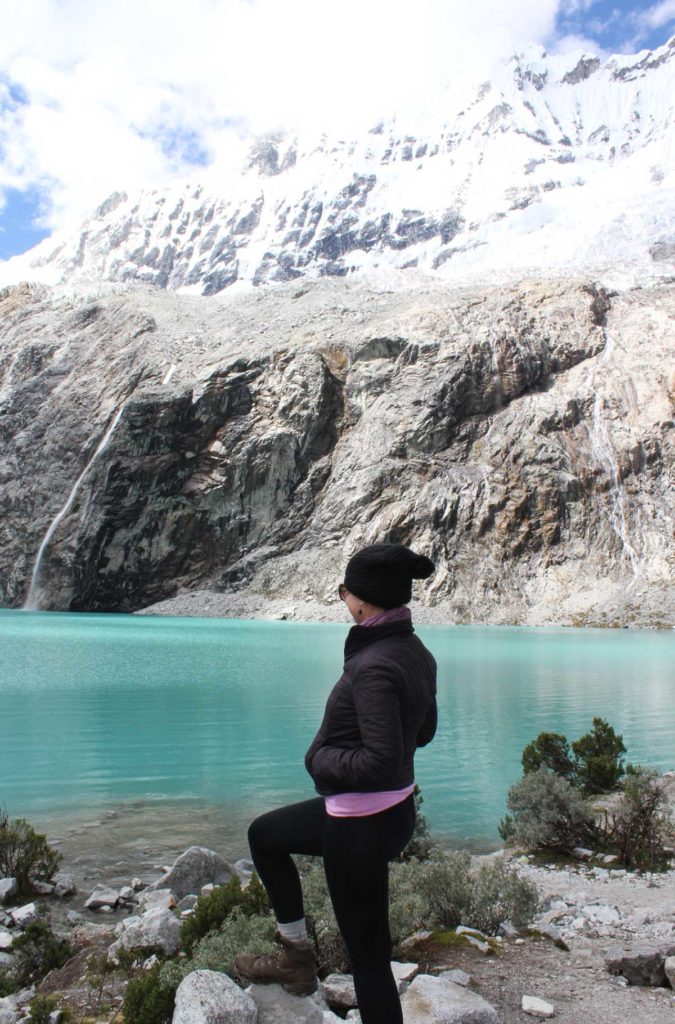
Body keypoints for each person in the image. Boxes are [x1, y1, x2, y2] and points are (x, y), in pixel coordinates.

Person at [235, 543, 437, 1024]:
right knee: (265, 836)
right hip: (391, 814)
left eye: (346, 590)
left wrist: (321, 760)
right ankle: (295, 957)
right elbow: (423, 733)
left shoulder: (375, 665)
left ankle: (302, 965)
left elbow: (381, 760)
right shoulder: (415, 652)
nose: (343, 598)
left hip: (360, 826)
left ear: (364, 600)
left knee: (368, 960)